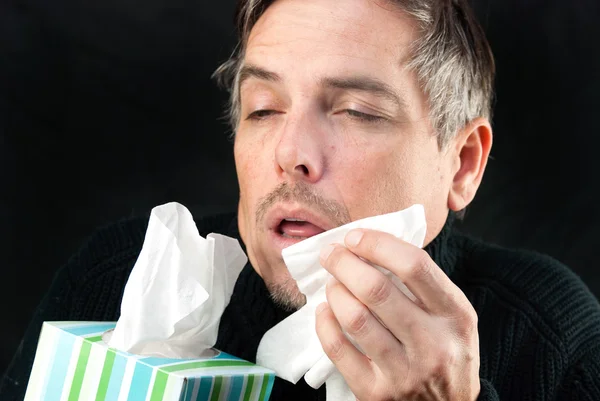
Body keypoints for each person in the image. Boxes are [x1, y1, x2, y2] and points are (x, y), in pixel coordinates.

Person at [2, 0, 600, 399]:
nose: (291, 153)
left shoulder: (555, 340)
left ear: (462, 164)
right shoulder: (120, 280)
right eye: (263, 108)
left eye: (358, 112)